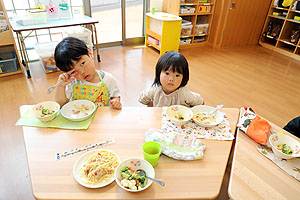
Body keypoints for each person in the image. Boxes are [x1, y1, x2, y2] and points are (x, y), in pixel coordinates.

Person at [54, 37, 122, 109]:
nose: (82, 72)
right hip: (80, 118)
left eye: (82, 63)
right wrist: (61, 86)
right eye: (74, 71)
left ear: (90, 53)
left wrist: (115, 101)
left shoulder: (108, 79)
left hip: (102, 118)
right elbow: (61, 105)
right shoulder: (73, 82)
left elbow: (115, 96)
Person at [138, 51, 204, 107]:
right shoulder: (154, 90)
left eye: (177, 75)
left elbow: (200, 102)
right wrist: (151, 106)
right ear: (159, 73)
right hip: (160, 120)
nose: (171, 79)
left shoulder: (183, 93)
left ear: (184, 77)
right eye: (167, 74)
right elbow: (141, 99)